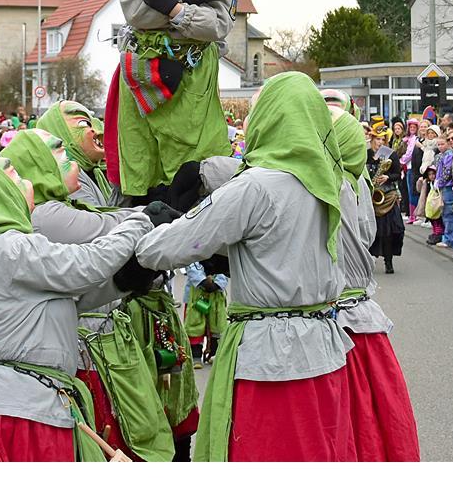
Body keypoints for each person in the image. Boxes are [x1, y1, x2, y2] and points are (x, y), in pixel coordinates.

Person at [133, 71, 355, 462]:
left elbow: (175, 245)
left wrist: (141, 232)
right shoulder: (329, 182)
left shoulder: (256, 185)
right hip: (323, 350)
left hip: (271, 358)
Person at [0, 154, 155, 462]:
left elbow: (56, 301)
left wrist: (124, 281)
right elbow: (87, 264)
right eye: (15, 177)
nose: (27, 183)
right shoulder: (10, 247)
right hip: (15, 415)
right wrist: (141, 221)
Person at [1, 127, 178, 463]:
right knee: (116, 436)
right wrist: (149, 217)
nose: (69, 157)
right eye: (57, 150)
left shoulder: (66, 202)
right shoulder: (44, 214)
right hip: (86, 351)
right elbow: (101, 242)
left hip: (100, 339)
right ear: (35, 163)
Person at [105, 0, 242, 201]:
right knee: (140, 163)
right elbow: (135, 10)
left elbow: (219, 24)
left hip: (192, 79)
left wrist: (174, 5)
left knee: (192, 165)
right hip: (143, 73)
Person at [330, 108, 419, 461]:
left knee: (352, 413)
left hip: (339, 313)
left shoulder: (326, 182)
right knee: (378, 411)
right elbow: (367, 235)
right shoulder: (359, 182)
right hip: (364, 314)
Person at [36, 101, 119, 209]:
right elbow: (96, 220)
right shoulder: (67, 175)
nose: (98, 131)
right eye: (84, 123)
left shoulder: (101, 170)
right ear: (60, 133)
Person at [368, 121, 405, 273]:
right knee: (370, 232)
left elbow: (398, 175)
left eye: (383, 139)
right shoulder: (366, 154)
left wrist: (387, 177)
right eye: (378, 139)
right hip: (370, 197)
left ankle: (388, 262)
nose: (380, 142)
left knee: (389, 232)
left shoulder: (390, 154)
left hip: (387, 196)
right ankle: (368, 261)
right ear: (372, 139)